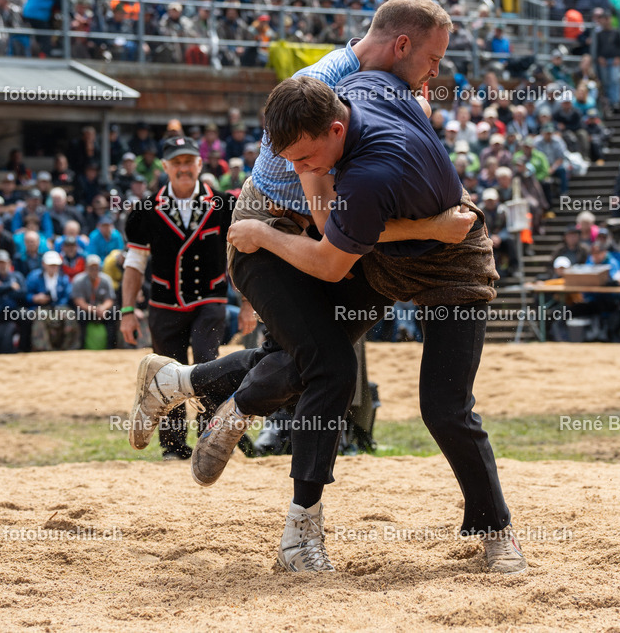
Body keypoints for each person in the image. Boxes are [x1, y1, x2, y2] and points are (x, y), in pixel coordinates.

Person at [225, 72, 526, 573]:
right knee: (320, 360)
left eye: (304, 158)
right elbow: (411, 91)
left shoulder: (367, 179)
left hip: (451, 271)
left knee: (445, 409)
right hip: (387, 265)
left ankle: (498, 531)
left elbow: (328, 259)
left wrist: (261, 232)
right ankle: (206, 391)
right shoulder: (364, 87)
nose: (301, 171)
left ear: (336, 130)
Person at [118, 136, 241, 459]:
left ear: (200, 164)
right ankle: (173, 447)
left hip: (210, 301)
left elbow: (240, 259)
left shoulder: (225, 205)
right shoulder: (145, 210)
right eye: (177, 162)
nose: (184, 168)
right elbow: (134, 264)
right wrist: (127, 310)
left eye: (189, 161)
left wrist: (248, 305)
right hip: (164, 305)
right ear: (165, 167)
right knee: (165, 372)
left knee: (206, 360)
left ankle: (209, 441)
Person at [25, 250, 78, 351]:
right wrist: (35, 298)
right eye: (51, 264)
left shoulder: (63, 279)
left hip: (59, 307)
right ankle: (43, 348)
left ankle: (69, 347)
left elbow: (67, 296)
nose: (53, 267)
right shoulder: (34, 277)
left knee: (70, 315)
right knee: (40, 316)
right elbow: (26, 295)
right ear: (44, 264)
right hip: (40, 308)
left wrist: (60, 307)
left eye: (55, 265)